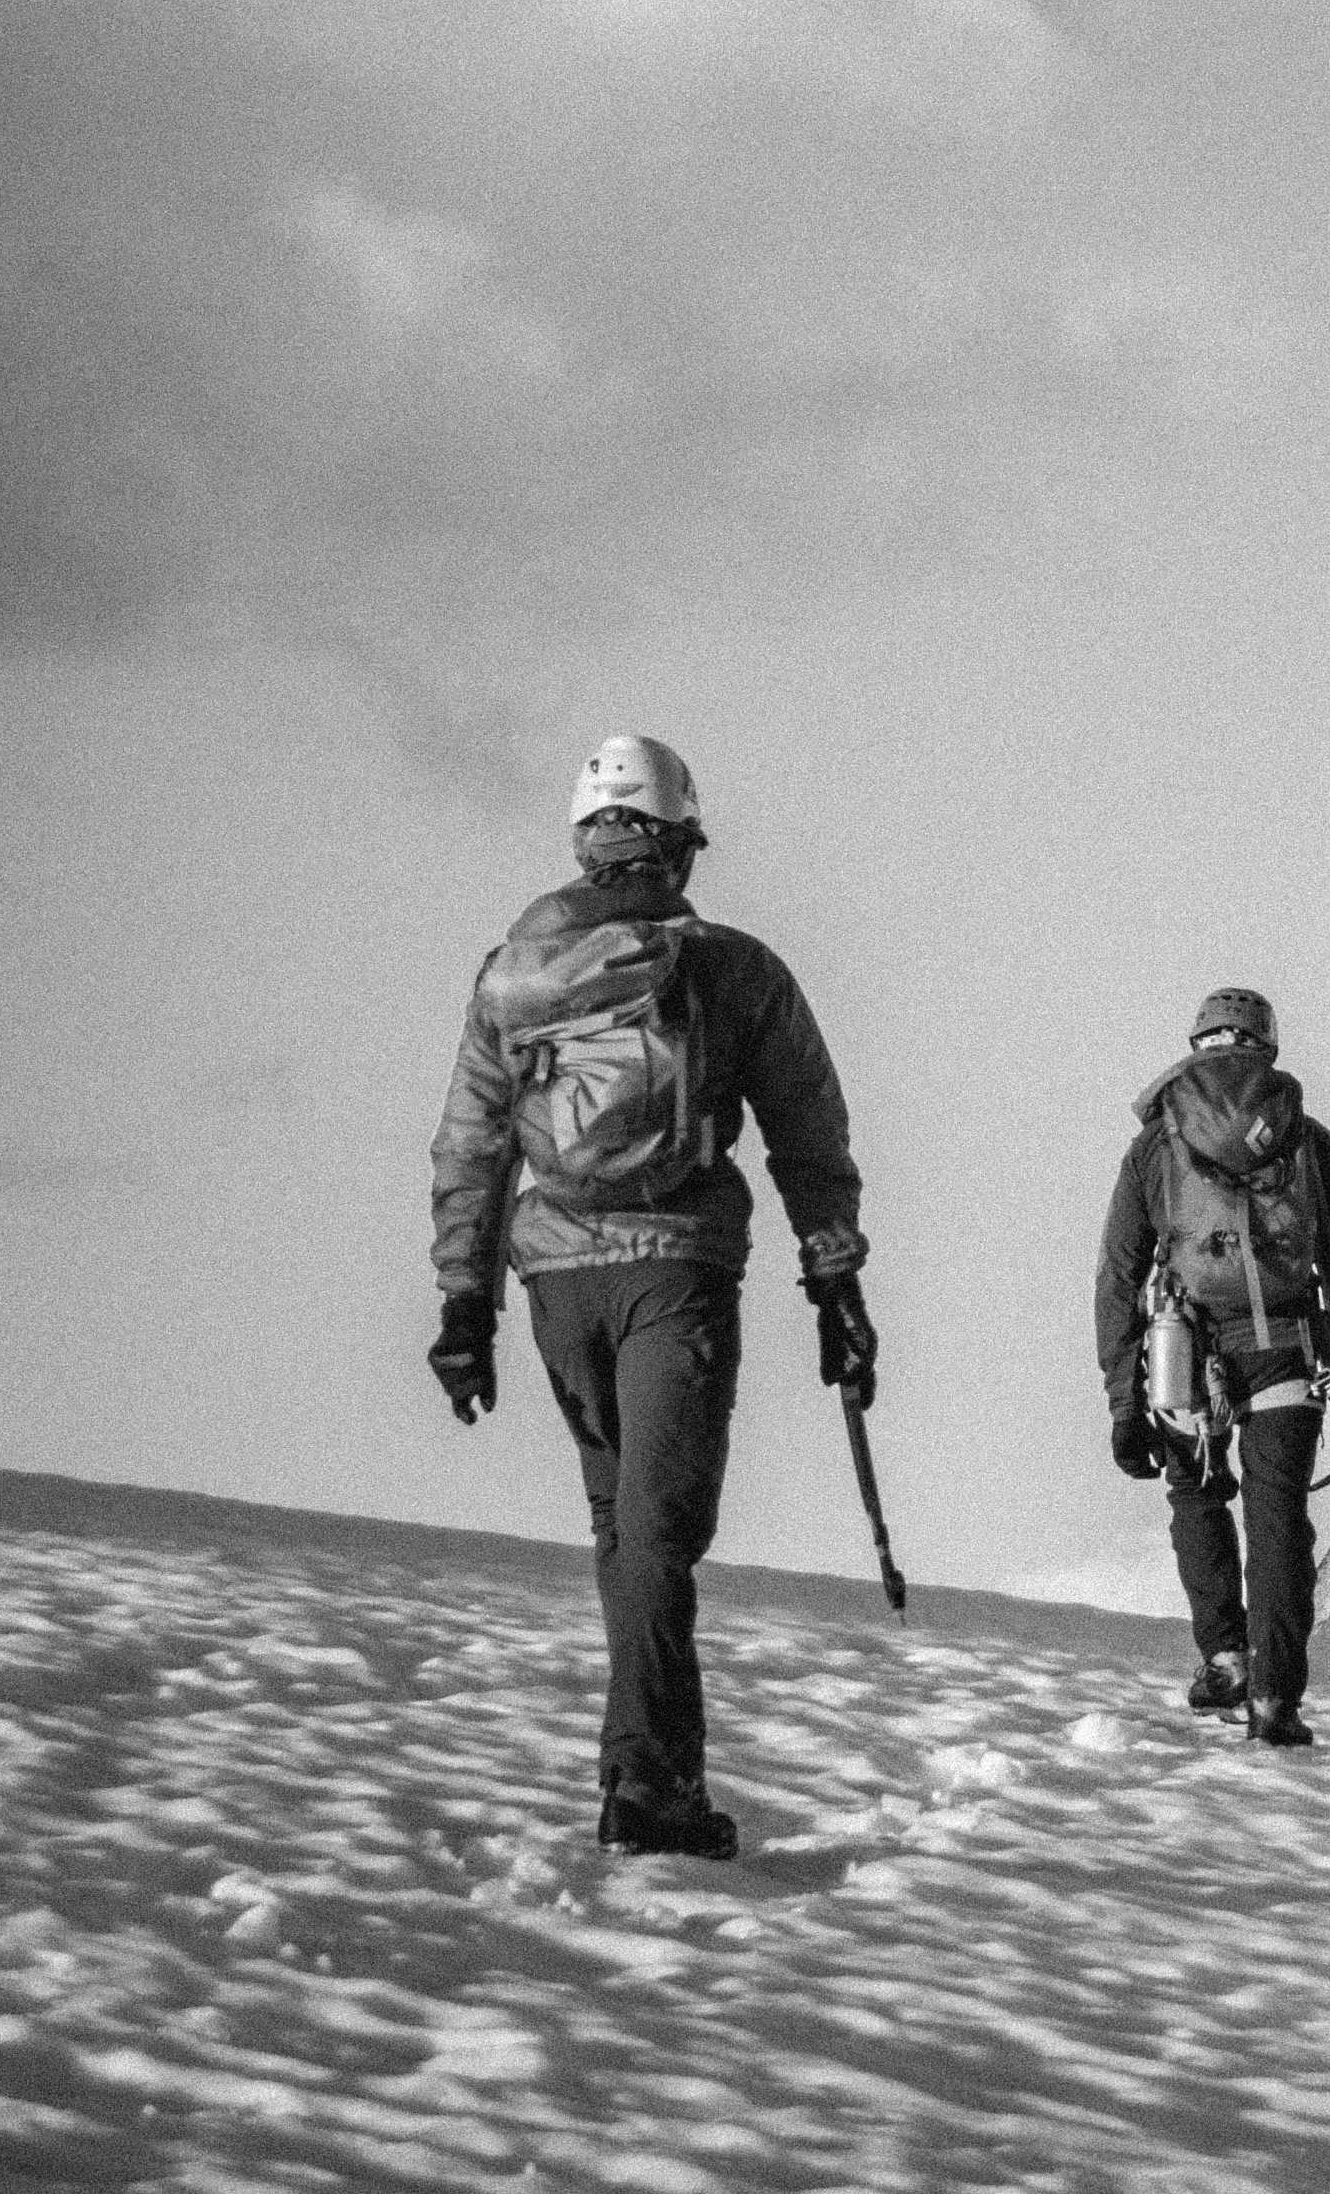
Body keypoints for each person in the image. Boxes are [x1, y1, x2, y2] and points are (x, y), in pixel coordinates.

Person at [428, 733, 874, 1858]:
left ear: (586, 840)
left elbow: (474, 1144)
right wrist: (837, 1284)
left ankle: (646, 1769)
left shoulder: (511, 975)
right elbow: (807, 1136)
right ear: (680, 841)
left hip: (555, 1283)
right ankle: (653, 1785)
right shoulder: (732, 968)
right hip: (674, 1266)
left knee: (624, 1526)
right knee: (660, 1533)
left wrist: (462, 1308)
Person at [1094, 986, 1330, 1747]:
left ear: (1197, 1049)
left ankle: (1225, 1659)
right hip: (1290, 1351)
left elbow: (1120, 1274)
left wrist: (1127, 1398)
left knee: (1197, 1495)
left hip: (1188, 1356)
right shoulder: (1308, 1142)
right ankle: (1277, 1699)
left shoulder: (1157, 1146)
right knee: (1279, 1520)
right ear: (1267, 1049)